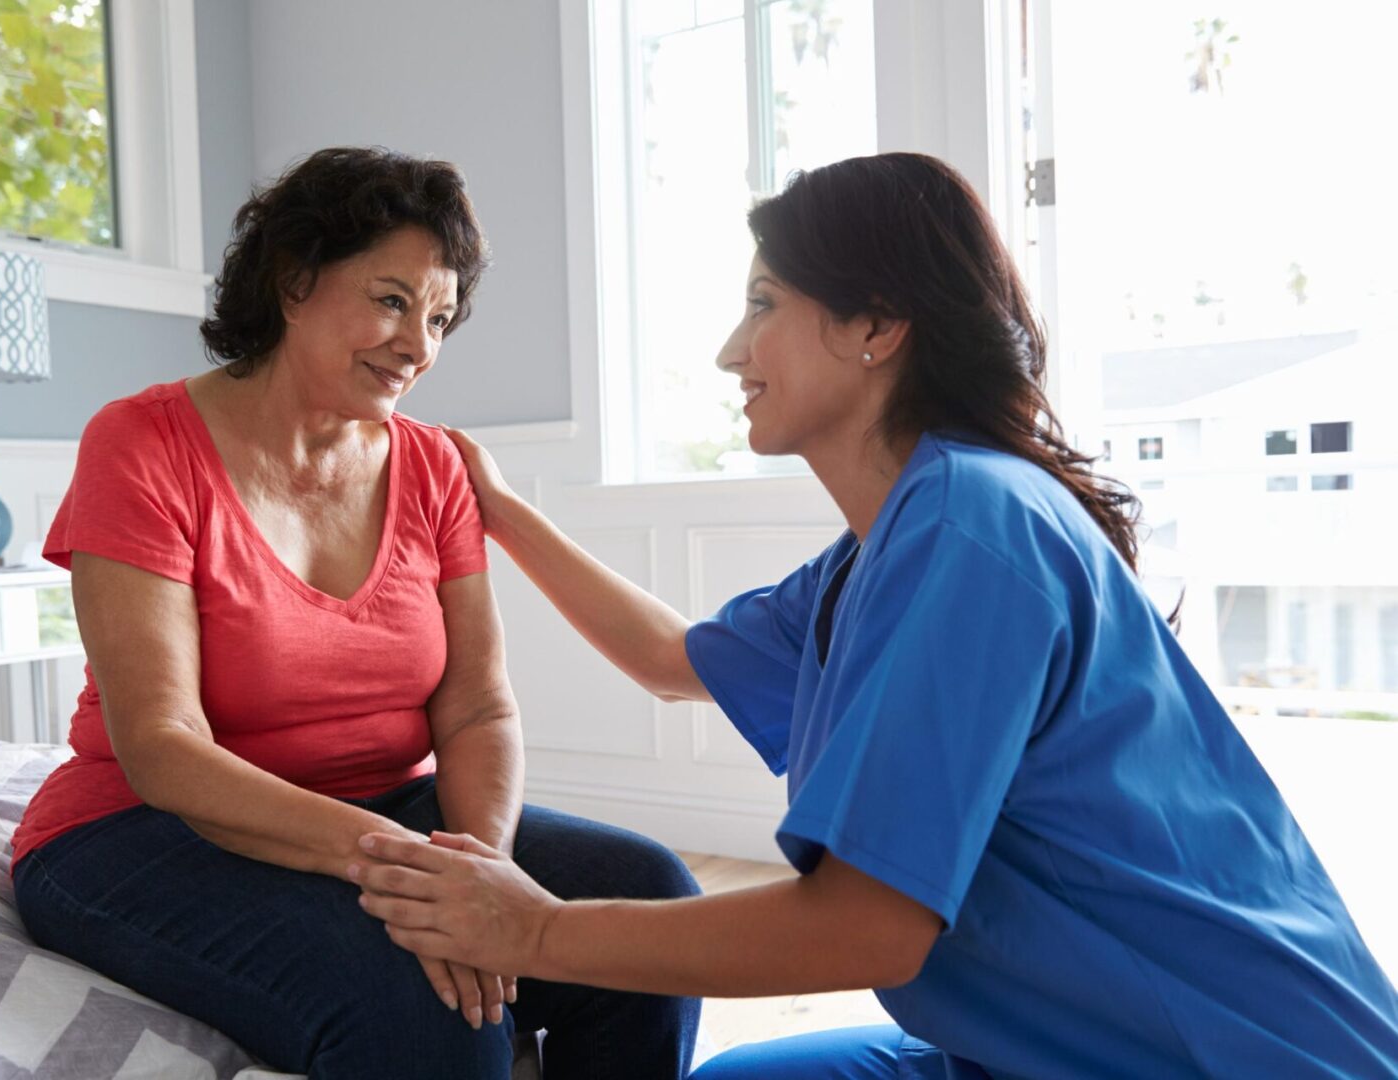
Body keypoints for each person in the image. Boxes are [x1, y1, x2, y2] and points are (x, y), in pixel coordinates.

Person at [350, 152, 1398, 1078]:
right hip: (1022, 1042)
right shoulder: (890, 543)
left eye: (763, 304)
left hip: (1222, 1053)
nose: (729, 350)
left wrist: (536, 934)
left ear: (879, 326)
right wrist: (501, 509)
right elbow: (670, 658)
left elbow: (864, 930)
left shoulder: (972, 529)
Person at [9, 146, 701, 1080]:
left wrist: (477, 871)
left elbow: (476, 708)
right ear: (294, 282)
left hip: (386, 810)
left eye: (442, 317)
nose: (420, 346)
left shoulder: (433, 465)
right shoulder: (141, 444)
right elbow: (162, 743)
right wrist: (413, 875)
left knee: (652, 904)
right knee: (426, 1009)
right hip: (143, 830)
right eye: (391, 300)